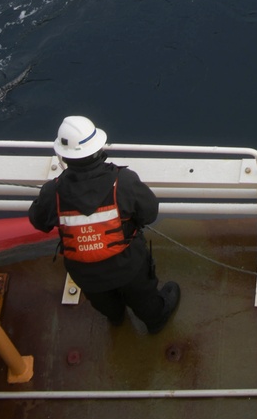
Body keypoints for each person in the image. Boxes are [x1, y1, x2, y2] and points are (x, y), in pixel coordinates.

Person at [28, 115, 180, 334]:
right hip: (129, 266)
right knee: (145, 301)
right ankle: (155, 321)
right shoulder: (124, 181)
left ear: (63, 156)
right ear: (98, 149)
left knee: (105, 305)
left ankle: (116, 317)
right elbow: (149, 213)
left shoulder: (53, 192)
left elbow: (39, 221)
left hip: (85, 274)